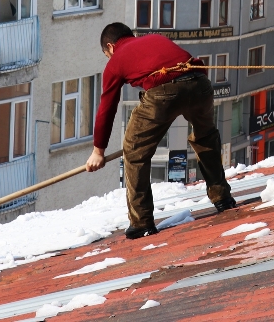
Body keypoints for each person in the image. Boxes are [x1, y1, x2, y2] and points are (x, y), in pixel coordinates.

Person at [85, 23, 236, 238]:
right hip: (200, 83)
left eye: (106, 54)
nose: (108, 58)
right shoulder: (154, 38)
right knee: (206, 137)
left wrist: (98, 151)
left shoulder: (116, 60)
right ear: (132, 35)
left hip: (163, 92)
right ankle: (222, 198)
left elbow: (107, 107)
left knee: (134, 151)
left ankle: (141, 222)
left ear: (110, 47)